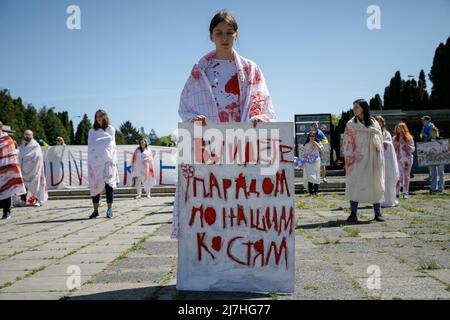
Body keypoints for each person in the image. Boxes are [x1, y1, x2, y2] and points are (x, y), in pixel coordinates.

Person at [172, 10, 276, 238]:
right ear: (211, 36)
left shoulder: (250, 69)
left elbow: (261, 101)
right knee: (212, 196)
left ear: (236, 35)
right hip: (209, 143)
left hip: (242, 142)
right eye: (219, 32)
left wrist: (257, 118)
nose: (224, 37)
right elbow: (186, 104)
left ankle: (242, 244)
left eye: (229, 32)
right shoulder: (201, 69)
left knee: (241, 196)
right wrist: (194, 119)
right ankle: (212, 246)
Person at [342, 99, 385, 223]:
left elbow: (379, 138)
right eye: (354, 107)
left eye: (356, 107)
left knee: (375, 182)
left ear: (363, 108)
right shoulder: (351, 123)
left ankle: (377, 213)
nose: (354, 109)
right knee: (355, 183)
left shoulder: (374, 122)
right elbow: (347, 142)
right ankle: (353, 213)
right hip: (357, 159)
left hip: (373, 157)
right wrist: (350, 158)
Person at [87, 109, 118, 219]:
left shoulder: (111, 129)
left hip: (107, 161)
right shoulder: (92, 131)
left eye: (100, 116)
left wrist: (106, 155)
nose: (98, 118)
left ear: (105, 116)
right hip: (95, 162)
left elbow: (110, 143)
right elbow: (91, 146)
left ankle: (109, 210)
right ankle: (95, 210)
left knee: (109, 186)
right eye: (96, 116)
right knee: (95, 185)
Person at [0, 122, 27, 219]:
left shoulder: (7, 139)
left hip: (6, 167)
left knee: (7, 189)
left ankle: (7, 212)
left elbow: (12, 154)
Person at [18, 130, 48, 207]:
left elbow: (37, 157)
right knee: (23, 186)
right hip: (23, 169)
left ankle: (38, 200)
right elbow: (20, 156)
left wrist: (27, 158)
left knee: (37, 184)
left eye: (28, 135)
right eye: (25, 134)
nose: (26, 136)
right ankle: (23, 200)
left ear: (32, 136)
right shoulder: (22, 146)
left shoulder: (35, 145)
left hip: (34, 169)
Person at [375, 116, 399, 208]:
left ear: (383, 122)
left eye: (380, 121)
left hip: (387, 159)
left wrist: (382, 143)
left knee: (388, 178)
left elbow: (390, 144)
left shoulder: (387, 133)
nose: (378, 123)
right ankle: (379, 199)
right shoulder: (373, 132)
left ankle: (389, 199)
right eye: (377, 121)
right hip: (377, 158)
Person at [295, 131, 324, 195]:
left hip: (316, 161)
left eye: (313, 136)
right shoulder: (306, 144)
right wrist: (303, 160)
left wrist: (316, 143)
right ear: (309, 137)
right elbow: (303, 153)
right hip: (308, 162)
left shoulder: (318, 143)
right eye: (310, 136)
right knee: (309, 176)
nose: (311, 137)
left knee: (316, 175)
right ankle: (311, 191)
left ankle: (316, 191)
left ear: (315, 137)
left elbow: (321, 151)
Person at [393, 122, 415, 199]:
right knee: (397, 176)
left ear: (403, 128)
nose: (398, 129)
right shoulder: (394, 138)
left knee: (406, 176)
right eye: (397, 127)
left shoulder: (409, 138)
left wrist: (406, 145)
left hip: (407, 159)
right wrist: (398, 143)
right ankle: (397, 192)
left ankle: (405, 192)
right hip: (397, 159)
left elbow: (412, 149)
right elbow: (391, 149)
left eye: (400, 127)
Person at [429, 127, 445, 194]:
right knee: (433, 174)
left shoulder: (440, 139)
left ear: (436, 132)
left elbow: (444, 148)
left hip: (440, 158)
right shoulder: (428, 140)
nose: (432, 133)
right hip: (431, 159)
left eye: (433, 131)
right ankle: (433, 188)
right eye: (431, 132)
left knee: (441, 173)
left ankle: (440, 188)